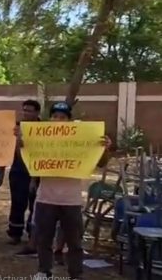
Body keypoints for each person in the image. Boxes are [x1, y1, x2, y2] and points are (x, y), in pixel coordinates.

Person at [29, 102, 111, 280]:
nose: (58, 120)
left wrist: (104, 147)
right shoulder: (40, 139)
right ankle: (44, 271)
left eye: (63, 117)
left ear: (69, 120)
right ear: (50, 119)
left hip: (71, 201)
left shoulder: (80, 140)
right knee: (44, 239)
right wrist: (21, 143)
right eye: (55, 116)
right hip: (46, 198)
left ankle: (76, 274)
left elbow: (102, 163)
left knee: (74, 242)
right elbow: (28, 161)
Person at [7, 99, 41, 245]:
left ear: (37, 112)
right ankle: (15, 233)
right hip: (18, 171)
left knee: (36, 204)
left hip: (38, 171)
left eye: (29, 110)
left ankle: (33, 235)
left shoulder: (45, 129)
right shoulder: (16, 128)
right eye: (24, 110)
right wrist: (16, 142)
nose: (26, 113)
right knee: (18, 203)